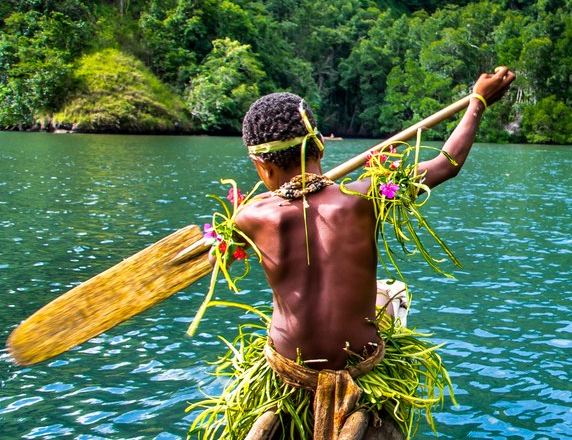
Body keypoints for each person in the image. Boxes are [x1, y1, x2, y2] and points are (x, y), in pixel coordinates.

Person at [192, 67, 515, 440]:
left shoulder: (249, 216)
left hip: (289, 372)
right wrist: (477, 102)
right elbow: (446, 164)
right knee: (390, 298)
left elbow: (222, 250)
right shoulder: (364, 196)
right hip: (360, 365)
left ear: (261, 166)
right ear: (321, 147)